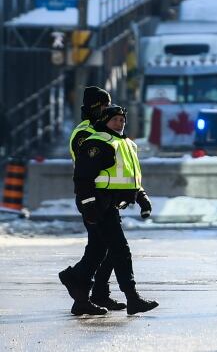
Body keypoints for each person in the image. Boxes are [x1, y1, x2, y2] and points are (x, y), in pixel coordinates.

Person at [59, 105, 158, 316]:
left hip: (109, 205)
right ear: (105, 121)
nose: (120, 123)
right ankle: (132, 298)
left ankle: (79, 292)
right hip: (99, 205)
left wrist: (142, 198)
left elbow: (130, 177)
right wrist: (89, 206)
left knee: (98, 252)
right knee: (119, 250)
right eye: (115, 120)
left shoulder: (124, 143)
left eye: (122, 120)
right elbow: (83, 178)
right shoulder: (97, 143)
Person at [66, 86, 131, 313]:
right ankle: (76, 280)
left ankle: (89, 295)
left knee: (101, 248)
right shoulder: (86, 132)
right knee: (105, 248)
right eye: (103, 106)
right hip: (93, 198)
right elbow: (86, 170)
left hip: (106, 198)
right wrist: (89, 202)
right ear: (93, 107)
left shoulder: (101, 129)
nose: (107, 109)